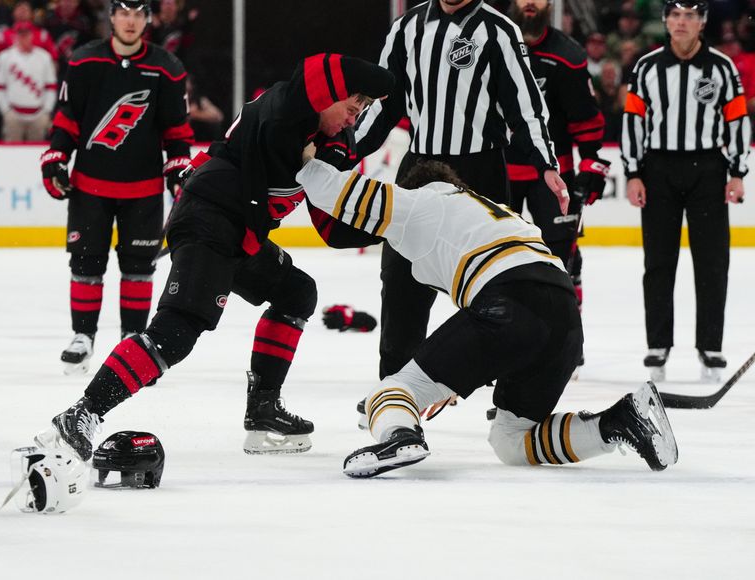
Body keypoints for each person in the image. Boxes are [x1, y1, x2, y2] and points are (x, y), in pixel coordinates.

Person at [34, 53, 395, 460]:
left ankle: (263, 410)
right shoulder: (287, 105)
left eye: (360, 111)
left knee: (296, 292)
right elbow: (315, 70)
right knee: (176, 332)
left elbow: (331, 225)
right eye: (351, 107)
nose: (352, 119)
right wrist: (395, 77)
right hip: (209, 217)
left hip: (242, 234)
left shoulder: (332, 140)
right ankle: (82, 413)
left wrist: (392, 229)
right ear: (327, 94)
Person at [295, 153, 678, 477]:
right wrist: (455, 372)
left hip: (508, 302)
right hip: (564, 319)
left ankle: (400, 436)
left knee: (389, 390)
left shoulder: (422, 203)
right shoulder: (495, 212)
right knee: (511, 440)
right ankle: (618, 422)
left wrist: (301, 161)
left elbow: (344, 194)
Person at [353, 0, 567, 382]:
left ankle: (499, 380)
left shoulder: (499, 30)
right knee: (400, 278)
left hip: (479, 171)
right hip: (419, 167)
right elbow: (382, 102)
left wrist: (547, 164)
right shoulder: (406, 28)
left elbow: (526, 106)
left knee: (495, 281)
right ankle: (394, 387)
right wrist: (347, 151)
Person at [40, 0, 194, 374]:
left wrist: (179, 171)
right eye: (124, 13)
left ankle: (132, 342)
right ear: (111, 17)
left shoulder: (167, 68)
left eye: (138, 14)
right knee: (86, 263)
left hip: (142, 188)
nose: (130, 21)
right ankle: (83, 337)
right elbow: (68, 121)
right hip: (90, 186)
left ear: (148, 19)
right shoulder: (83, 61)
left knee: (139, 268)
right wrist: (56, 156)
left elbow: (177, 133)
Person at [622, 0, 750, 382]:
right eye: (675, 15)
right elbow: (633, 121)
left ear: (703, 22)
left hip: (709, 169)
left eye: (690, 16)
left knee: (712, 261)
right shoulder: (646, 67)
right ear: (665, 21)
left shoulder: (722, 68)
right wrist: (633, 172)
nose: (681, 22)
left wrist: (738, 171)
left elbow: (738, 120)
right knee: (658, 261)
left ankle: (710, 345)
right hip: (658, 169)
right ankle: (658, 343)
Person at [505, 0, 609, 371]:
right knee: (494, 261)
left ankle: (565, 340)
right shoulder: (487, 41)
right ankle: (497, 342)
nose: (530, 3)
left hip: (555, 175)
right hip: (499, 171)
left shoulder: (567, 54)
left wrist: (592, 162)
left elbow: (585, 118)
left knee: (560, 261)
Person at [0, 21, 57, 141]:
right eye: (20, 34)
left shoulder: (44, 57)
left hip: (38, 115)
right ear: (15, 36)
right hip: (13, 115)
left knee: (36, 154)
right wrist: (6, 111)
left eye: (26, 34)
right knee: (11, 154)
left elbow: (51, 87)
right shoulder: (5, 57)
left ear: (32, 35)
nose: (24, 37)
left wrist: (46, 111)